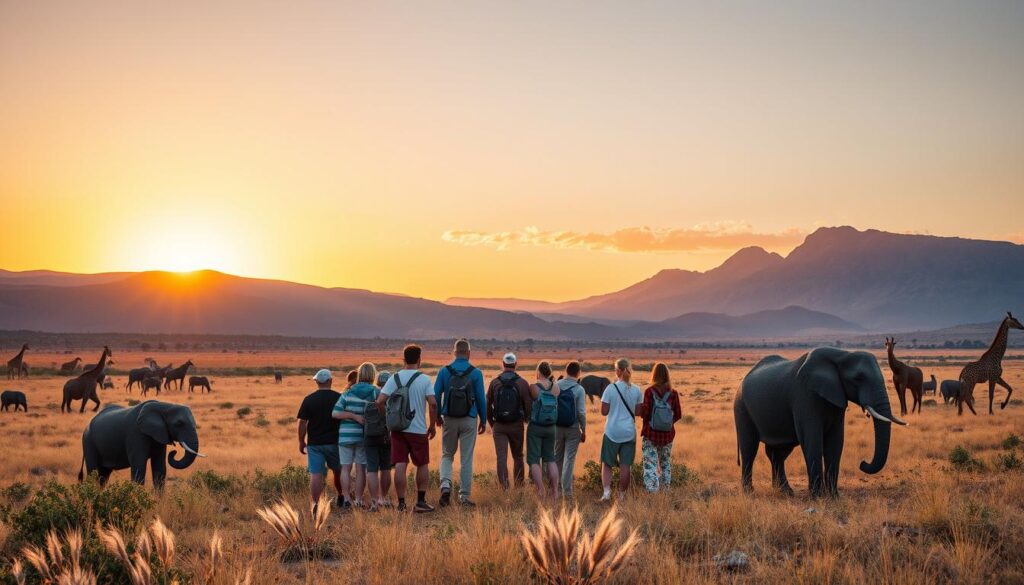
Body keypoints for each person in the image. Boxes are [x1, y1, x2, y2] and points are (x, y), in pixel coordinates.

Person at [375, 344, 438, 513]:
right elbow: (433, 404)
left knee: (400, 464)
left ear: (403, 359)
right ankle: (420, 502)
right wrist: (432, 426)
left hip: (397, 430)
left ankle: (401, 504)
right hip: (418, 429)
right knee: (422, 464)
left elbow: (380, 401)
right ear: (419, 359)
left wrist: (389, 418)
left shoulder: (394, 378)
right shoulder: (424, 379)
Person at [433, 339, 487, 507]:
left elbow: (435, 396)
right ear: (469, 353)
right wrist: (483, 420)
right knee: (466, 458)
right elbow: (481, 399)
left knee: (447, 454)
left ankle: (446, 486)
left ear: (454, 353)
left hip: (449, 418)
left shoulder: (444, 371)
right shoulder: (476, 373)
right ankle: (463, 497)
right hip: (469, 419)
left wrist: (437, 416)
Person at [332, 362, 378, 509]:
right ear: (372, 375)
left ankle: (346, 499)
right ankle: (358, 500)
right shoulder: (375, 392)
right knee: (360, 469)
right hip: (364, 435)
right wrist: (358, 417)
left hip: (345, 436)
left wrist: (351, 415)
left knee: (345, 468)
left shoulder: (347, 392)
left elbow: (335, 413)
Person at [296, 369, 343, 512]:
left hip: (315, 444)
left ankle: (315, 503)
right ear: (330, 381)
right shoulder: (339, 398)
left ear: (316, 381)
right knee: (339, 471)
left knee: (316, 473)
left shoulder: (309, 399)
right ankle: (342, 496)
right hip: (335, 443)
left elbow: (302, 422)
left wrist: (301, 441)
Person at [486, 352, 532, 490]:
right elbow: (528, 404)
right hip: (517, 425)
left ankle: (504, 488)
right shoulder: (523, 383)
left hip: (499, 425)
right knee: (518, 456)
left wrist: (492, 423)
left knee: (501, 457)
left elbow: (487, 404)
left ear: (503, 364)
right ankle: (519, 487)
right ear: (515, 364)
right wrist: (526, 419)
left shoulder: (495, 382)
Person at [600, 358, 643, 502]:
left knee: (607, 463)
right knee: (625, 465)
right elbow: (638, 412)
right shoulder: (636, 389)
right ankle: (622, 495)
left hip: (612, 431)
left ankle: (606, 493)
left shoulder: (610, 388)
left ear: (618, 371)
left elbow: (604, 411)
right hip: (629, 432)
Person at [640, 362, 683, 492]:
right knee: (665, 464)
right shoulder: (673, 393)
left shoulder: (649, 392)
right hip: (667, 436)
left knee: (650, 464)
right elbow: (678, 414)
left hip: (650, 435)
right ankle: (665, 490)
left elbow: (645, 414)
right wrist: (667, 423)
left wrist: (652, 422)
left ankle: (652, 491)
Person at [527, 361, 560, 502]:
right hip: (551, 427)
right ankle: (555, 492)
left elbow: (531, 402)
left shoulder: (533, 387)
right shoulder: (556, 387)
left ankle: (541, 491)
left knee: (534, 460)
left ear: (538, 372)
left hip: (536, 426)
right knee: (550, 459)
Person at [554, 361, 587, 499]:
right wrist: (583, 429)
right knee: (569, 459)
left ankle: (556, 491)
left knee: (557, 458)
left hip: (556, 427)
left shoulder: (555, 385)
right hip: (573, 429)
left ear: (566, 371)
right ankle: (567, 492)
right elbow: (581, 412)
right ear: (578, 373)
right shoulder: (579, 389)